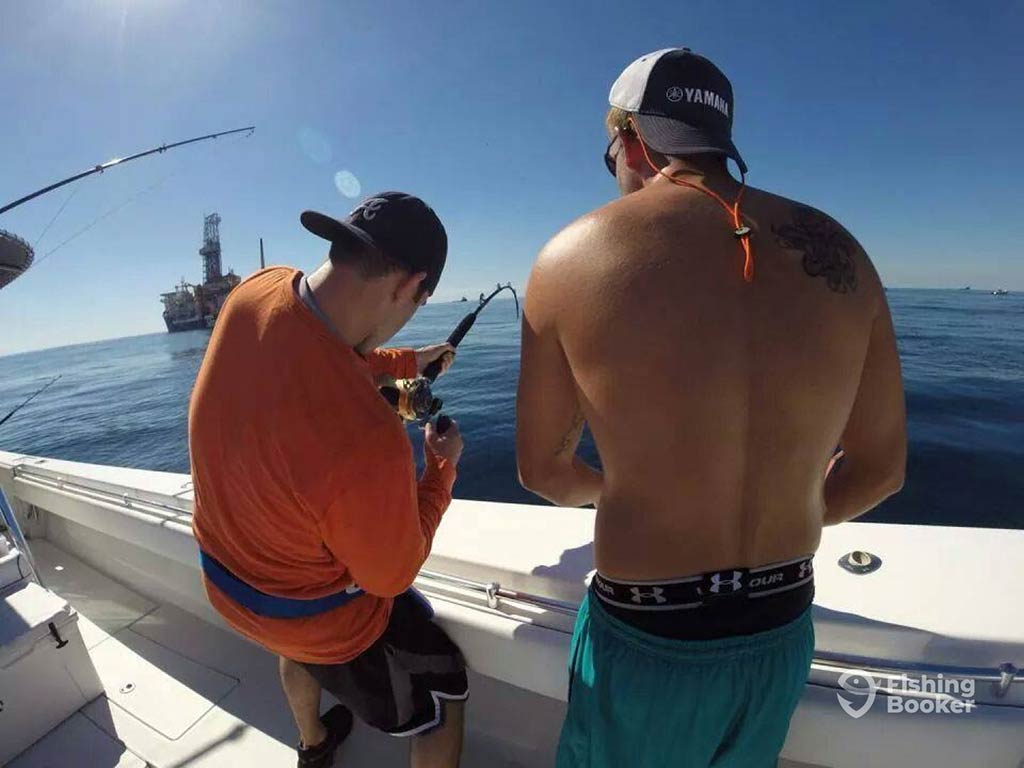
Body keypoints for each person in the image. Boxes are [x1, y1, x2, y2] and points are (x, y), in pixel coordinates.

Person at [516, 48, 906, 767]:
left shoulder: (569, 257)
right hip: (782, 631)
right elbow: (881, 470)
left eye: (610, 159)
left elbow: (543, 471)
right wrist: (790, 501)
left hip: (648, 638)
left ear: (629, 139)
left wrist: (629, 492)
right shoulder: (843, 253)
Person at [190, 191, 468, 768]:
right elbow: (392, 576)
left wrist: (408, 361)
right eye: (419, 301)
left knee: (298, 595)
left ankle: (314, 746)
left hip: (228, 584)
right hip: (318, 623)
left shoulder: (256, 292)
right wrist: (441, 468)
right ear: (410, 286)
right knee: (446, 697)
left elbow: (320, 352)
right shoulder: (367, 438)